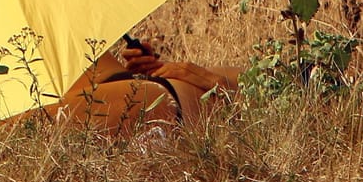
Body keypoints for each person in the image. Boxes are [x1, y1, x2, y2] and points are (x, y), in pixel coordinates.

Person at [32, 35, 238, 135]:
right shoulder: (261, 74)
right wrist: (155, 67)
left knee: (22, 128)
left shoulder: (256, 83)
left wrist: (214, 82)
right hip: (151, 91)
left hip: (164, 102)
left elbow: (262, 123)